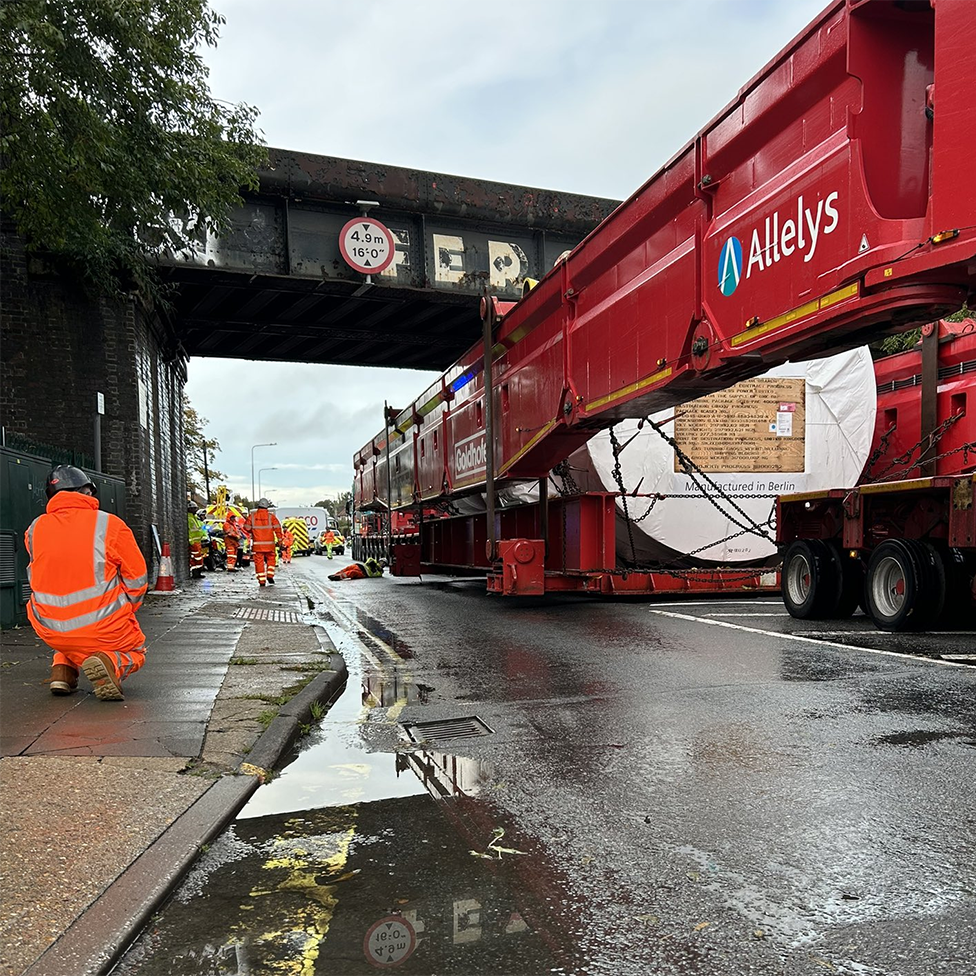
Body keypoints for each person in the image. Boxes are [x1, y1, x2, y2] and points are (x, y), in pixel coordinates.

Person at [25, 465, 148, 701]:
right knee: (136, 650)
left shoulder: (34, 528)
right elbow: (137, 578)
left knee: (70, 638)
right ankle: (110, 663)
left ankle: (62, 671)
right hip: (102, 626)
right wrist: (125, 609)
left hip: (48, 627)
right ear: (88, 492)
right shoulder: (110, 524)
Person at [245, 498, 282, 586]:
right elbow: (278, 529)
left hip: (258, 545)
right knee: (271, 560)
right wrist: (280, 541)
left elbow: (246, 527)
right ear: (267, 506)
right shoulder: (271, 517)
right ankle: (270, 575)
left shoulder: (252, 516)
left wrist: (253, 531)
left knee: (259, 562)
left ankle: (262, 581)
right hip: (270, 545)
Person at [187, 503, 207, 578]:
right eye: (194, 508)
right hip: (193, 542)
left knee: (198, 558)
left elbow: (200, 530)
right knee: (196, 558)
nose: (196, 510)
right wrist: (191, 541)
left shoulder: (194, 518)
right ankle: (196, 573)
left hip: (197, 541)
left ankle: (198, 572)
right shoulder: (189, 519)